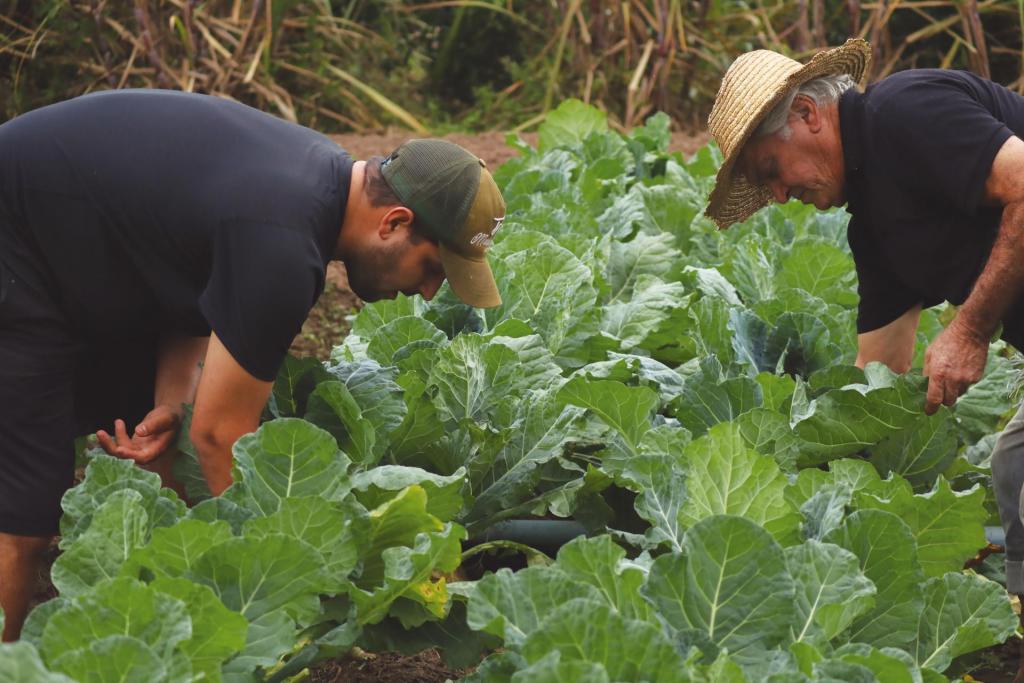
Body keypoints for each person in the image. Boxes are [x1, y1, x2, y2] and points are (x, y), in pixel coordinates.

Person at [0, 89, 507, 641]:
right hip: (18, 243)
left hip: (68, 245)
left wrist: (168, 401)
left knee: (149, 431)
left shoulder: (317, 180)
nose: (430, 292)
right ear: (394, 222)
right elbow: (221, 437)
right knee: (24, 515)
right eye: (432, 267)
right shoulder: (284, 246)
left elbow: (185, 278)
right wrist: (281, 585)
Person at [705, 40, 1024, 593]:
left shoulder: (905, 113)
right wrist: (807, 476)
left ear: (806, 114)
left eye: (771, 169)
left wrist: (969, 330)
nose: (779, 195)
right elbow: (879, 370)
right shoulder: (874, 226)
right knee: (1013, 466)